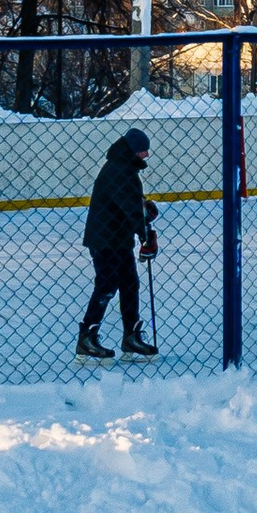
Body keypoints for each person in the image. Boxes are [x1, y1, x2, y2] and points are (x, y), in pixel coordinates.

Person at [77, 127, 158, 361]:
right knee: (107, 284)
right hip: (105, 240)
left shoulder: (124, 168)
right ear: (132, 150)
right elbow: (131, 209)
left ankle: (130, 336)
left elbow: (133, 205)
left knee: (129, 283)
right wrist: (144, 234)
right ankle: (87, 337)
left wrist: (144, 213)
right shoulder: (120, 171)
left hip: (117, 238)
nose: (146, 155)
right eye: (143, 151)